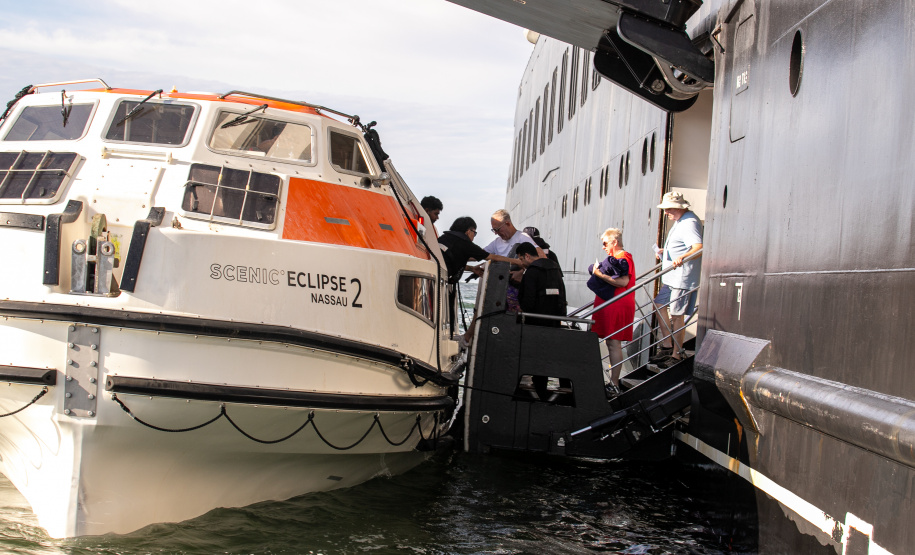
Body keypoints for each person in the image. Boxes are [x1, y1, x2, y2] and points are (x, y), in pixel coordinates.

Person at [438, 217, 521, 333]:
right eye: (474, 233)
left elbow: (450, 262)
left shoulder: (443, 238)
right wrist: (517, 262)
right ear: (468, 231)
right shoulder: (465, 244)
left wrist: (472, 269)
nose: (474, 236)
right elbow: (493, 257)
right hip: (443, 283)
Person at [653, 191, 703, 368]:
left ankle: (676, 355)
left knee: (676, 314)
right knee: (659, 304)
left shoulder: (690, 223)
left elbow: (698, 247)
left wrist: (682, 257)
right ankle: (668, 346)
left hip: (682, 278)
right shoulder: (680, 221)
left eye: (668, 209)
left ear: (679, 207)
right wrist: (665, 252)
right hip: (671, 277)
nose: (666, 212)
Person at [587, 228, 636, 394]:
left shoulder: (623, 257)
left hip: (616, 304)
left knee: (614, 343)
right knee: (611, 343)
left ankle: (614, 383)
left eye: (605, 243)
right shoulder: (619, 258)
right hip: (611, 304)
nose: (603, 247)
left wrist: (599, 274)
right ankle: (613, 382)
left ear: (614, 242)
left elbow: (623, 282)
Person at [476, 209, 542, 312]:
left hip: (516, 290)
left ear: (507, 224)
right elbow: (479, 254)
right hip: (499, 290)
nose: (496, 233)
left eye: (497, 229)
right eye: (494, 230)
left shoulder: (522, 238)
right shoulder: (497, 242)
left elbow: (541, 258)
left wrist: (522, 273)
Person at [515, 242, 566, 327]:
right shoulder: (555, 268)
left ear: (527, 256)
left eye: (521, 259)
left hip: (535, 321)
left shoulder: (531, 271)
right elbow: (562, 292)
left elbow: (528, 298)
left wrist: (523, 310)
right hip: (554, 320)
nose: (521, 263)